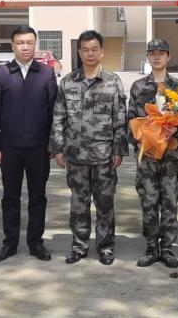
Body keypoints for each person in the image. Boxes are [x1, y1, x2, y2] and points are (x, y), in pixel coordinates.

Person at [51, 30, 128, 265]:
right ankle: (79, 246)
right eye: (85, 49)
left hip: (104, 156)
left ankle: (105, 247)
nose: (90, 54)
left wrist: (119, 150)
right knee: (78, 204)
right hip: (75, 156)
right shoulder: (67, 82)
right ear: (79, 52)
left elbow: (120, 119)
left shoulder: (113, 82)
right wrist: (58, 148)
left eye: (94, 49)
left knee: (105, 204)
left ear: (102, 52)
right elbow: (58, 117)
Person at [0, 25, 58, 262]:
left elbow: (54, 112)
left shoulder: (46, 73)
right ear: (13, 45)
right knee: (10, 197)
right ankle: (10, 243)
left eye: (29, 42)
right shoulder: (2, 74)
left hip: (39, 147)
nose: (25, 47)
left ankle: (36, 243)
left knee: (38, 196)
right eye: (20, 43)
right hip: (10, 147)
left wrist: (53, 144)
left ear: (35, 44)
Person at [127, 38, 178, 268]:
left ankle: (168, 248)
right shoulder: (138, 87)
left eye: (161, 53)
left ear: (168, 56)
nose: (157, 57)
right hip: (147, 157)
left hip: (171, 156)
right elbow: (130, 119)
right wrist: (142, 139)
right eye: (152, 53)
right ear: (148, 57)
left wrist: (176, 129)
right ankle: (152, 247)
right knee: (149, 202)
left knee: (170, 202)